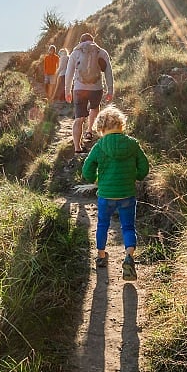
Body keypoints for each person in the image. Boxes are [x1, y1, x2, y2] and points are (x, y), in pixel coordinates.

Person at [81, 105, 149, 281]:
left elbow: (87, 169)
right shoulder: (132, 144)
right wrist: (136, 176)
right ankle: (129, 256)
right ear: (121, 124)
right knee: (128, 226)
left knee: (103, 224)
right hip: (127, 193)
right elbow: (144, 167)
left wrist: (95, 179)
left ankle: (102, 256)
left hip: (106, 195)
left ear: (101, 128)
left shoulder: (99, 146)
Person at [63, 33, 113, 154]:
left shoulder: (75, 53)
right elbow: (108, 72)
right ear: (92, 41)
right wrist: (110, 89)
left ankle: (77, 148)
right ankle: (89, 131)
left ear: (80, 42)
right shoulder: (101, 52)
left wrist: (67, 90)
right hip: (96, 88)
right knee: (95, 108)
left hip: (79, 89)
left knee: (79, 118)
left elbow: (69, 73)